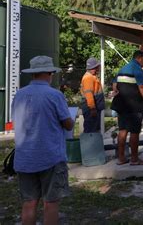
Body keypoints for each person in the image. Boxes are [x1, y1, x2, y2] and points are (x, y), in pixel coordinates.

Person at [12, 56, 74, 225]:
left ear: (32, 74)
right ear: (50, 73)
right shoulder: (55, 95)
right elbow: (68, 124)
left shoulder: (19, 95)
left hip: (24, 157)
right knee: (50, 203)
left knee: (29, 202)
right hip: (50, 157)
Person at [111, 50, 143, 166]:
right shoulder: (137, 69)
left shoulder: (122, 68)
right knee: (134, 132)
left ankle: (121, 158)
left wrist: (116, 91)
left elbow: (114, 84)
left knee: (122, 131)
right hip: (134, 105)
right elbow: (142, 86)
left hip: (121, 104)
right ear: (139, 58)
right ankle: (134, 159)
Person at [80, 57, 105, 133]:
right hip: (91, 110)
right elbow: (89, 94)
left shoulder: (91, 77)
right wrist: (92, 109)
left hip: (94, 108)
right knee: (91, 131)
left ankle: (92, 144)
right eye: (98, 66)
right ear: (94, 67)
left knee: (93, 129)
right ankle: (89, 144)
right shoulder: (88, 78)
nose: (99, 68)